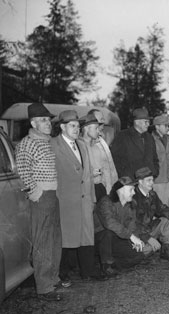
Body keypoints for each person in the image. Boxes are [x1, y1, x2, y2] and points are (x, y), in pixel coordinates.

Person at [15, 103, 64, 302]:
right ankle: (44, 287)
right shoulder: (27, 143)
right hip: (42, 197)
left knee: (54, 240)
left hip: (53, 194)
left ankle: (53, 278)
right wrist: (36, 192)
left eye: (49, 120)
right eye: (43, 120)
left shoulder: (47, 141)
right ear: (33, 123)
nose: (48, 123)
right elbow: (22, 170)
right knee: (43, 242)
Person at [51, 110, 106, 282]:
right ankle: (62, 273)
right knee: (67, 238)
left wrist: (92, 199)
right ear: (62, 127)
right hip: (66, 202)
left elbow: (88, 174)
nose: (76, 129)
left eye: (77, 126)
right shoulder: (53, 145)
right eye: (72, 126)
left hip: (85, 200)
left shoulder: (82, 145)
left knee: (86, 236)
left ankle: (88, 271)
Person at [132, 167, 169, 263]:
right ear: (140, 182)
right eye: (148, 180)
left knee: (167, 221)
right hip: (136, 235)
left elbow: (162, 208)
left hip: (149, 229)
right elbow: (132, 224)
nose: (152, 183)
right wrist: (147, 238)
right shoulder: (133, 197)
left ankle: (167, 251)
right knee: (140, 252)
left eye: (152, 180)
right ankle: (143, 255)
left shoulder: (152, 194)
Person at [94, 176, 145, 276]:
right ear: (120, 190)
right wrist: (131, 236)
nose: (134, 193)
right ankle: (106, 265)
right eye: (131, 190)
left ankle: (108, 263)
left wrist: (135, 240)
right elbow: (109, 223)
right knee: (107, 233)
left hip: (117, 239)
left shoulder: (131, 205)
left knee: (139, 255)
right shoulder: (106, 202)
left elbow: (132, 226)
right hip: (99, 241)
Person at [111, 108, 159, 181]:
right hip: (131, 182)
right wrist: (125, 179)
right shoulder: (122, 136)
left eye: (148, 122)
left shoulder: (149, 137)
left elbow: (155, 159)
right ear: (136, 122)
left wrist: (155, 172)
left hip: (148, 182)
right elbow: (115, 160)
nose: (148, 124)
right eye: (145, 122)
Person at [87, 109, 118, 195]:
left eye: (103, 119)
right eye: (100, 119)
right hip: (99, 190)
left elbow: (111, 166)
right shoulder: (88, 144)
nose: (103, 121)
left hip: (109, 189)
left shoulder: (102, 141)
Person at [152, 114, 169, 205]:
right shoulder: (151, 140)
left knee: (166, 207)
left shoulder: (167, 140)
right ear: (157, 126)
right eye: (165, 125)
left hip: (167, 180)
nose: (167, 128)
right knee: (157, 207)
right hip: (157, 181)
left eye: (168, 125)